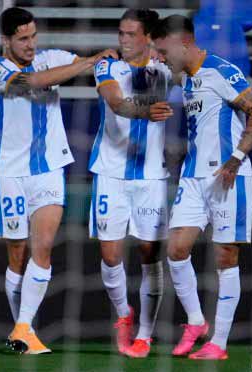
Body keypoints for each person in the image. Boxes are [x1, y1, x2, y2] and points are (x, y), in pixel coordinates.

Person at [0, 7, 114, 355]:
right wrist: (89, 61)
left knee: (42, 246)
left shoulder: (51, 59)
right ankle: (24, 331)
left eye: (33, 37)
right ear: (6, 40)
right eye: (23, 39)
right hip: (11, 172)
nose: (31, 45)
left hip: (49, 168)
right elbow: (33, 82)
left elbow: (85, 65)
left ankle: (22, 329)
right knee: (17, 253)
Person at [151, 15, 252, 360]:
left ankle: (219, 343)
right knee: (175, 250)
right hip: (192, 177)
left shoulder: (220, 70)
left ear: (183, 42)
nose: (160, 57)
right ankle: (197, 321)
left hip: (227, 176)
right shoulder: (186, 80)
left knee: (225, 257)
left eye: (162, 50)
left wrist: (234, 159)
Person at [89, 8, 175, 358]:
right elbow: (115, 102)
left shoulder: (165, 67)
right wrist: (146, 111)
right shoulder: (107, 65)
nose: (122, 39)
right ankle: (124, 314)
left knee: (149, 255)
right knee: (110, 256)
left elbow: (194, 70)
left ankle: (145, 334)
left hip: (152, 177)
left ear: (147, 37)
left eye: (129, 34)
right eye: (120, 33)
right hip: (110, 173)